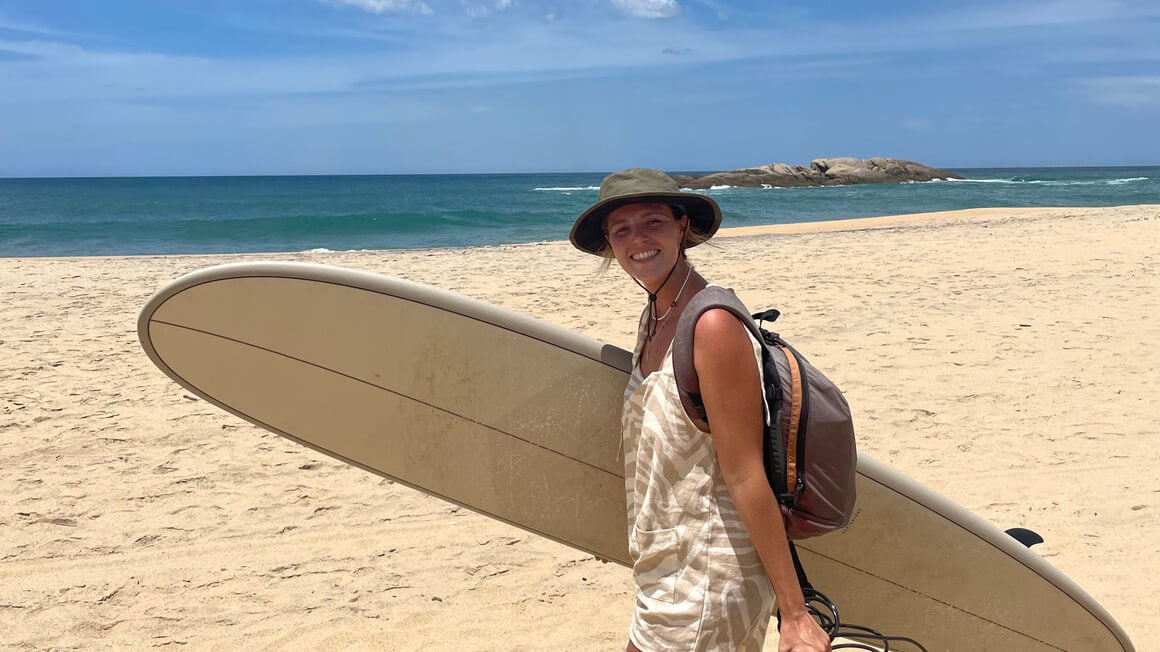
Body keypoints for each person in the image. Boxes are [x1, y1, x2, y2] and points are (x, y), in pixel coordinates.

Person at [570, 169, 831, 652]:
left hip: (710, 572)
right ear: (609, 243)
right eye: (621, 230)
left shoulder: (711, 326)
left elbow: (746, 473)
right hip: (664, 564)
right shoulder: (656, 313)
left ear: (681, 227)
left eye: (652, 222)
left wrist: (794, 613)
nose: (638, 240)